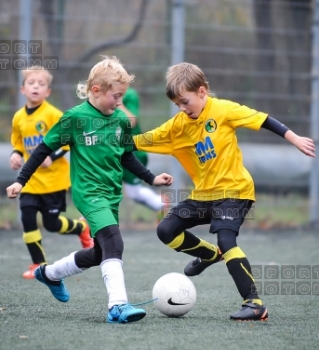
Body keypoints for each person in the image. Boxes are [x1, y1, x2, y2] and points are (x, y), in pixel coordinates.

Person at [133, 62, 316, 321]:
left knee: (227, 240)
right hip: (203, 196)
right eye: (177, 105)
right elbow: (142, 140)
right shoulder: (177, 126)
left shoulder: (223, 110)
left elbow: (262, 118)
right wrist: (105, 138)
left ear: (202, 91)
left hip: (235, 191)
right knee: (165, 230)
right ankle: (208, 255)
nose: (183, 108)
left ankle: (254, 304)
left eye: (185, 101)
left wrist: (294, 138)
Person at [6, 56, 173, 324]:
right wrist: (20, 181)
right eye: (116, 96)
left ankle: (50, 274)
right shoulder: (75, 118)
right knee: (115, 242)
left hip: (111, 194)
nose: (120, 103)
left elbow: (127, 157)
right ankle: (117, 306)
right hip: (88, 193)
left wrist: (152, 179)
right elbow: (43, 149)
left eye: (122, 96)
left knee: (100, 253)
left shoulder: (119, 120)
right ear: (96, 91)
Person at [9, 65, 93, 279]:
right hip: (31, 181)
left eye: (41, 84)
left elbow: (68, 141)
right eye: (31, 83)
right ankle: (37, 264)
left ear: (48, 92)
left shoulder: (53, 114)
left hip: (54, 182)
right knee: (27, 220)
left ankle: (80, 229)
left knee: (52, 225)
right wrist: (16, 154)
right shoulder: (18, 117)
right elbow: (18, 141)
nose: (35, 87)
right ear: (22, 89)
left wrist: (52, 156)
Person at [118, 87, 167, 222]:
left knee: (135, 193)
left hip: (131, 152)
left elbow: (132, 122)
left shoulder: (129, 95)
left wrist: (117, 101)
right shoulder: (99, 95)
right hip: (111, 152)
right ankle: (88, 224)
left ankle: (162, 205)